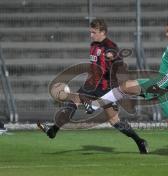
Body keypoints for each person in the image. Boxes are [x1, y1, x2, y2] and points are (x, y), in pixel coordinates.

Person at [84, 8, 168, 157]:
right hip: (164, 85)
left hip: (165, 87)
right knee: (127, 87)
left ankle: (95, 104)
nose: (166, 34)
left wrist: (157, 86)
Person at [38, 18, 148, 154]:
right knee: (74, 100)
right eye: (90, 32)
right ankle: (53, 130)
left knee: (114, 121)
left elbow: (118, 62)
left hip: (105, 88)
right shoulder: (93, 45)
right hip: (90, 85)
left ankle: (139, 141)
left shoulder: (110, 46)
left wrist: (112, 58)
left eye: (94, 32)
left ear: (103, 32)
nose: (91, 35)